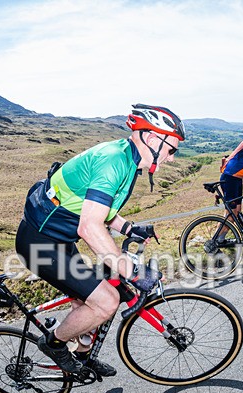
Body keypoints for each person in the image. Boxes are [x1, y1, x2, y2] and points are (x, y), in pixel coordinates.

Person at [16, 103, 185, 376]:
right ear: (153, 139)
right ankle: (54, 343)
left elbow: (99, 210)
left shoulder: (127, 159)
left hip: (57, 240)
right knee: (106, 301)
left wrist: (129, 228)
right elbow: (90, 226)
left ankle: (83, 357)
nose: (172, 158)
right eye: (172, 149)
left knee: (88, 296)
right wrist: (131, 271)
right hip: (39, 244)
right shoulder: (113, 161)